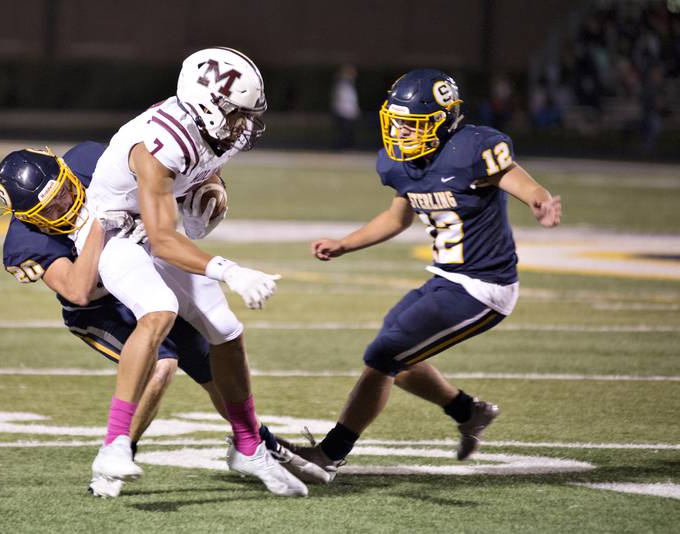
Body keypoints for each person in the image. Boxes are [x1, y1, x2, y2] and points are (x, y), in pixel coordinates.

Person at [285, 69, 562, 483]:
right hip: (447, 278)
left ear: (444, 120)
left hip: (483, 287)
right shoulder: (402, 161)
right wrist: (346, 244)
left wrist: (538, 198)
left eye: (412, 124)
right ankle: (469, 412)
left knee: (384, 355)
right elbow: (397, 218)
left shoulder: (473, 147)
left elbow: (513, 176)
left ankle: (330, 455)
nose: (401, 132)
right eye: (396, 121)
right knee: (400, 354)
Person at [0, 142, 316, 498]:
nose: (63, 203)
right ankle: (117, 453)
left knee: (215, 370)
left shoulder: (88, 161)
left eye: (64, 190)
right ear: (27, 218)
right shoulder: (25, 242)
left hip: (144, 272)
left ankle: (256, 442)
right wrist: (101, 226)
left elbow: (157, 170)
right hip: (101, 307)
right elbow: (78, 291)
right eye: (49, 207)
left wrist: (205, 182)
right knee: (162, 364)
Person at [70, 46, 315, 497]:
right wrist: (230, 271)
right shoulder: (158, 144)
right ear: (208, 105)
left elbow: (207, 170)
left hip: (151, 227)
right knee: (159, 309)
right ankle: (114, 444)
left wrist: (211, 190)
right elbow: (162, 239)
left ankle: (248, 445)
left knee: (226, 327)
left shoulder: (216, 131)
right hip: (111, 233)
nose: (245, 126)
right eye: (238, 115)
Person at [331, 64, 360, 150]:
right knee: (344, 131)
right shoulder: (342, 84)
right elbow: (343, 100)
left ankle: (347, 146)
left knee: (349, 131)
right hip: (343, 112)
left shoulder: (349, 85)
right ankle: (342, 147)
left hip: (349, 112)